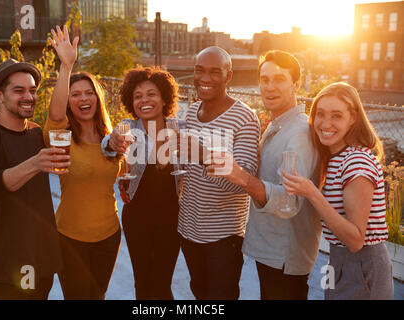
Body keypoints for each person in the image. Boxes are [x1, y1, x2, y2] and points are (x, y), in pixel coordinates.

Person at [206, 50, 321, 300]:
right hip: (273, 251)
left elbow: (290, 201)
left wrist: (241, 177)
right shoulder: (279, 125)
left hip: (285, 258)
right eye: (264, 79)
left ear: (296, 84)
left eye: (279, 79)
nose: (269, 87)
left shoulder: (299, 134)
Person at [282, 82, 393, 300]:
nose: (325, 123)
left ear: (353, 118)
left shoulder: (356, 163)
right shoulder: (335, 158)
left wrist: (312, 193)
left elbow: (355, 240)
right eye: (320, 114)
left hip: (363, 263)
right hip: (337, 259)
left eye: (337, 116)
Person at [0, 59, 66, 300]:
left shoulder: (35, 132)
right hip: (9, 258)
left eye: (32, 90)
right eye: (19, 90)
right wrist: (35, 163)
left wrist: (67, 65)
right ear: (0, 96)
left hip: (42, 256)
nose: (29, 97)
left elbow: (60, 115)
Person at [45, 25, 121, 300]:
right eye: (75, 94)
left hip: (109, 235)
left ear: (97, 98)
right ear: (68, 102)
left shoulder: (110, 137)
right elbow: (54, 115)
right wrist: (66, 66)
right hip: (70, 238)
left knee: (97, 296)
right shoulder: (61, 137)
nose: (82, 98)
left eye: (88, 92)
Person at [177, 46, 260, 300]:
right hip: (188, 230)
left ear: (229, 76)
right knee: (199, 294)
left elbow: (242, 181)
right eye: (199, 71)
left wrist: (202, 155)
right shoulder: (191, 111)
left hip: (223, 237)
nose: (205, 78)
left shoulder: (245, 118)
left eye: (215, 72)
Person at [102, 65, 183, 299]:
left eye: (151, 94)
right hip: (137, 218)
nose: (144, 100)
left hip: (172, 219)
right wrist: (112, 141)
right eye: (138, 96)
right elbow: (108, 145)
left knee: (162, 281)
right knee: (143, 282)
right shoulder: (129, 126)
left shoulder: (178, 128)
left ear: (164, 98)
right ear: (131, 101)